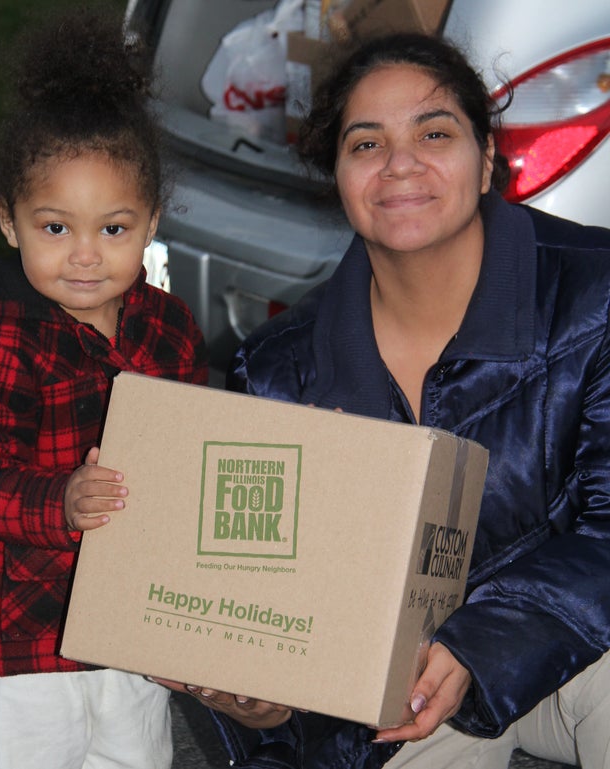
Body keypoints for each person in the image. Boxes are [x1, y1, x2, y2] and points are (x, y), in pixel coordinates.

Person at [156, 32, 610, 769]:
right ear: (335, 175)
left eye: (434, 132)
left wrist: (479, 642)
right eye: (366, 145)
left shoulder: (595, 295)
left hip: (584, 644)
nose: (401, 163)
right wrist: (267, 706)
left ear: (487, 155)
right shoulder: (276, 374)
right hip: (411, 699)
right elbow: (279, 615)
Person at [0, 8, 207, 769]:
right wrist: (61, 502)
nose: (84, 255)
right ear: (10, 222)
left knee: (137, 757)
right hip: (21, 639)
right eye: (55, 228)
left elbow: (196, 451)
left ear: (150, 222)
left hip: (127, 628)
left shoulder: (167, 328)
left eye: (112, 229)